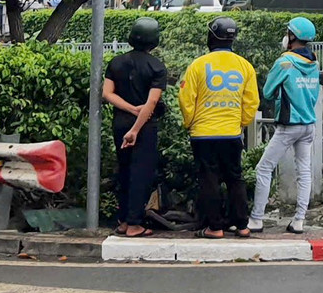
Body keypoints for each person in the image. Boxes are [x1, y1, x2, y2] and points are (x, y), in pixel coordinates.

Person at [178, 16, 259, 239]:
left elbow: (186, 99)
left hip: (203, 134)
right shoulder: (245, 66)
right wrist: (240, 123)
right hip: (231, 133)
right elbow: (251, 101)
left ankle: (214, 228)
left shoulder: (198, 65)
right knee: (235, 178)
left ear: (211, 36)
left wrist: (189, 122)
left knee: (209, 179)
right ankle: (242, 225)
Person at [249, 16, 321, 234]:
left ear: (292, 36)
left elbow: (268, 92)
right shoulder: (314, 62)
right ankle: (299, 220)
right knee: (304, 172)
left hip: (289, 126)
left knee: (264, 168)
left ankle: (256, 219)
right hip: (309, 125)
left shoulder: (284, 62)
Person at [103, 17, 166, 238]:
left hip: (120, 122)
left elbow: (107, 94)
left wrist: (129, 109)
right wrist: (136, 128)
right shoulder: (157, 67)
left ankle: (122, 221)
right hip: (144, 127)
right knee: (141, 173)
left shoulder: (116, 63)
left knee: (124, 170)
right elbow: (152, 102)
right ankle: (135, 224)